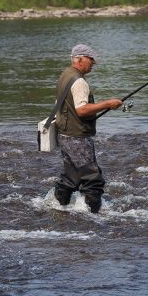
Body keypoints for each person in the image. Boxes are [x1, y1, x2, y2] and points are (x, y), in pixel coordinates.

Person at [53, 43, 122, 213]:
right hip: (77, 137)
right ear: (79, 59)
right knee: (93, 180)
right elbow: (81, 110)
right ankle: (95, 217)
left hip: (64, 134)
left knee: (71, 177)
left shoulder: (65, 75)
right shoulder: (79, 82)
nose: (93, 63)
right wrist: (108, 104)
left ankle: (58, 208)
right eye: (91, 60)